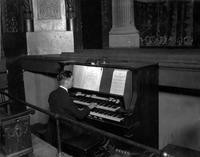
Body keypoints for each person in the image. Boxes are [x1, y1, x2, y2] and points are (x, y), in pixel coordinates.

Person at [48, 70, 97, 141]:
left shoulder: (52, 94)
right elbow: (80, 115)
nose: (73, 82)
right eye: (72, 80)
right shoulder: (66, 98)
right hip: (68, 129)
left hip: (57, 126)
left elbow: (63, 107)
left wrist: (75, 108)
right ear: (66, 81)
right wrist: (89, 107)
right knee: (94, 129)